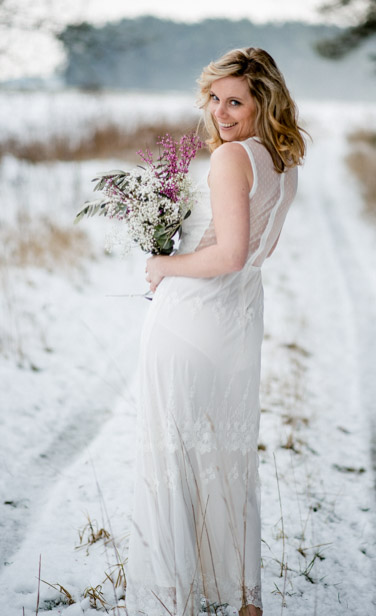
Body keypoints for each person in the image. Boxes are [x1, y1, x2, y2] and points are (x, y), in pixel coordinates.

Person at [126, 47, 308, 616]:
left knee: (174, 452)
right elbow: (255, 254)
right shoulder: (283, 161)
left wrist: (162, 266)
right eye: (215, 98)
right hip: (239, 317)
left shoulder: (233, 158)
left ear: (264, 103)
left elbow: (228, 253)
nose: (221, 112)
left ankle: (172, 597)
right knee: (228, 453)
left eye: (236, 101)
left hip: (193, 318)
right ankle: (241, 597)